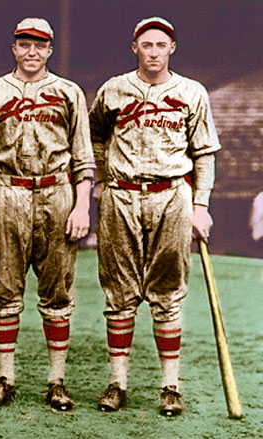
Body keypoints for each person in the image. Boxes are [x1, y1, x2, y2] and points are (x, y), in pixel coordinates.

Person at [0, 17, 94, 411]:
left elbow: (84, 159)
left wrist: (82, 205)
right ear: (14, 48)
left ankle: (56, 381)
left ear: (50, 50)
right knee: (5, 289)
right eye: (24, 44)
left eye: (40, 45)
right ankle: (5, 377)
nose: (31, 52)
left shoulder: (68, 92)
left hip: (56, 193)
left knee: (58, 293)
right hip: (7, 192)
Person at [88, 17, 220, 416]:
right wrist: (103, 173)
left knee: (167, 293)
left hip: (171, 195)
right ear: (135, 48)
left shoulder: (191, 91)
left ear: (172, 48)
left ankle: (170, 385)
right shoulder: (114, 89)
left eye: (161, 45)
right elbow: (94, 135)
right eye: (147, 45)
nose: (153, 52)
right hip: (122, 196)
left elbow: (204, 153)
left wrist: (201, 205)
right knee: (119, 294)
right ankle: (118, 382)